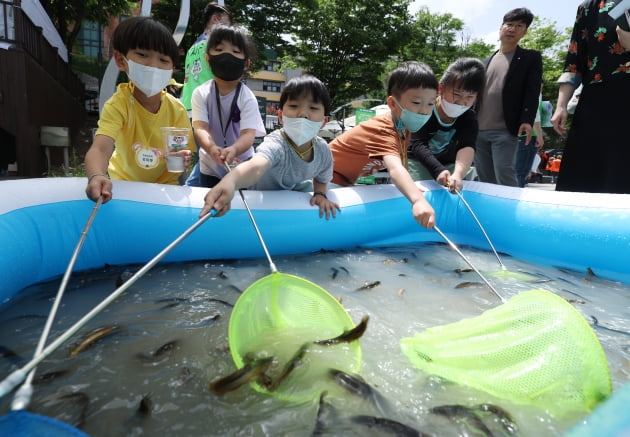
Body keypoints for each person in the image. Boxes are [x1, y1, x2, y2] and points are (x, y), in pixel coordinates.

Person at [84, 16, 193, 204]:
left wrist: (183, 158)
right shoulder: (119, 104)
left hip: (166, 189)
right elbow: (101, 148)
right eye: (143, 55)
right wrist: (96, 176)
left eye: (163, 60)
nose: (153, 65)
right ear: (121, 60)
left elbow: (181, 152)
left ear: (172, 69)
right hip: (124, 186)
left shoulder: (177, 110)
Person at [200, 75, 340, 219]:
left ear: (324, 121)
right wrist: (231, 181)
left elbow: (322, 178)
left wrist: (320, 194)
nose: (303, 114)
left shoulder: (323, 150)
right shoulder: (276, 144)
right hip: (257, 194)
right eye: (293, 106)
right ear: (280, 116)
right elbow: (257, 165)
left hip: (290, 192)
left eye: (313, 107)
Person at [327, 61, 438, 229]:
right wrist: (417, 200)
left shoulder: (402, 126)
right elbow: (395, 169)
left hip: (344, 180)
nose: (424, 111)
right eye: (416, 103)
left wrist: (411, 189)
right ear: (393, 104)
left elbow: (402, 162)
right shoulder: (383, 129)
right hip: (325, 177)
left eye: (430, 104)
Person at [550, 0, 630, 194]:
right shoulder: (588, 7)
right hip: (596, 100)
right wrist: (561, 106)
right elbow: (574, 63)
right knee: (585, 177)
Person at [191, 24, 266, 188]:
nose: (227, 55)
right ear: (208, 59)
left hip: (241, 163)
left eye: (235, 51)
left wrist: (233, 149)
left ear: (246, 64)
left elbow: (248, 134)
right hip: (210, 165)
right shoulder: (200, 93)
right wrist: (211, 148)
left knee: (239, 207)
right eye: (219, 49)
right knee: (208, 201)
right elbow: (201, 127)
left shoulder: (247, 98)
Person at [475, 7, 543, 187]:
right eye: (509, 24)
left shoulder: (530, 58)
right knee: (484, 179)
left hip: (505, 129)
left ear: (524, 32)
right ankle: (486, 214)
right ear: (501, 28)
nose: (512, 29)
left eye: (519, 25)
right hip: (478, 130)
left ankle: (511, 213)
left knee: (505, 174)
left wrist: (527, 119)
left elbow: (532, 91)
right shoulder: (483, 62)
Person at [407, 57, 485, 193]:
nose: (461, 102)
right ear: (441, 88)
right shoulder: (425, 109)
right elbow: (418, 144)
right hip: (417, 161)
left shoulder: (469, 117)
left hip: (448, 165)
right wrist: (437, 170)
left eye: (470, 97)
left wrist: (458, 174)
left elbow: (467, 146)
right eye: (457, 94)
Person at [181, 2, 232, 187]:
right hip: (206, 106)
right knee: (211, 154)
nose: (229, 28)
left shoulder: (193, 47)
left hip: (186, 105)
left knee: (201, 154)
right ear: (215, 19)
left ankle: (187, 190)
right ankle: (190, 190)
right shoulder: (214, 45)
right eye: (227, 22)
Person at [514, 92, 544, 188]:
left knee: (520, 171)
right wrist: (540, 135)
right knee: (521, 172)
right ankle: (515, 196)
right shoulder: (533, 91)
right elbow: (535, 114)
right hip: (527, 135)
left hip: (521, 134)